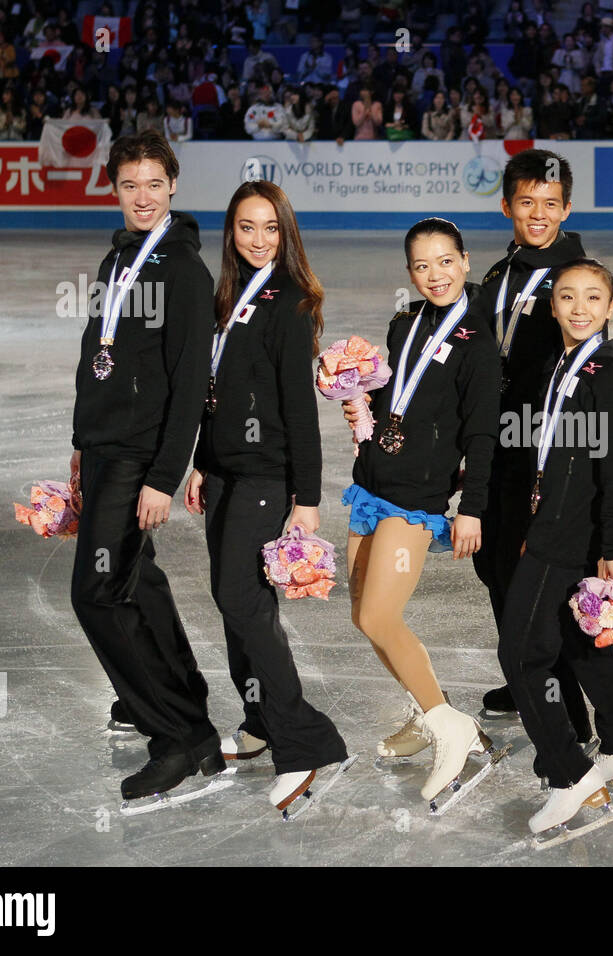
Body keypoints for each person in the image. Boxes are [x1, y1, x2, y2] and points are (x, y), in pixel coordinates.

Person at [183, 181, 350, 814]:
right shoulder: (227, 297)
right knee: (234, 605)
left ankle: (302, 742)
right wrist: (203, 460)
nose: (258, 240)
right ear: (231, 232)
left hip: (266, 477)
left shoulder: (292, 303)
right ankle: (258, 720)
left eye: (270, 229)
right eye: (246, 228)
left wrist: (305, 498)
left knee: (243, 601)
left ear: (286, 234)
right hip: (224, 472)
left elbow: (297, 410)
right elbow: (214, 392)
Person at [69, 130, 221, 803]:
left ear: (174, 187)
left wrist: (163, 475)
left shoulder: (184, 271)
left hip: (139, 455)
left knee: (98, 593)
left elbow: (190, 383)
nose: (141, 195)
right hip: (104, 445)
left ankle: (178, 739)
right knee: (141, 582)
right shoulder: (119, 257)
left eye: (153, 183)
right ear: (115, 188)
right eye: (129, 184)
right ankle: (185, 706)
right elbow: (96, 353)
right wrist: (81, 439)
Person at [339, 218, 502, 805]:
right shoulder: (404, 324)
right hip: (371, 485)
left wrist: (472, 510)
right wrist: (354, 395)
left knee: (382, 617)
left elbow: (482, 435)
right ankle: (425, 708)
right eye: (421, 265)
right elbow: (393, 393)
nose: (435, 275)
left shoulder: (479, 345)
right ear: (410, 272)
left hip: (417, 499)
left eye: (445, 261)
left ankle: (448, 724)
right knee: (363, 615)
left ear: (464, 262)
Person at [499, 257, 613, 833]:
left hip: (573, 536)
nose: (579, 308)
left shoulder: (606, 372)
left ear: (611, 308)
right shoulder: (567, 364)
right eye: (567, 297)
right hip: (558, 526)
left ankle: (567, 774)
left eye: (592, 298)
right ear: (553, 305)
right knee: (576, 641)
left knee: (520, 654)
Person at [472, 150, 594, 744]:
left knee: (538, 578)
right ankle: (524, 673)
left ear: (567, 208)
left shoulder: (575, 278)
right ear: (507, 207)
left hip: (541, 452)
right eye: (526, 203)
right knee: (494, 567)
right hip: (496, 448)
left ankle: (563, 699)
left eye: (550, 204)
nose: (538, 214)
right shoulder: (501, 275)